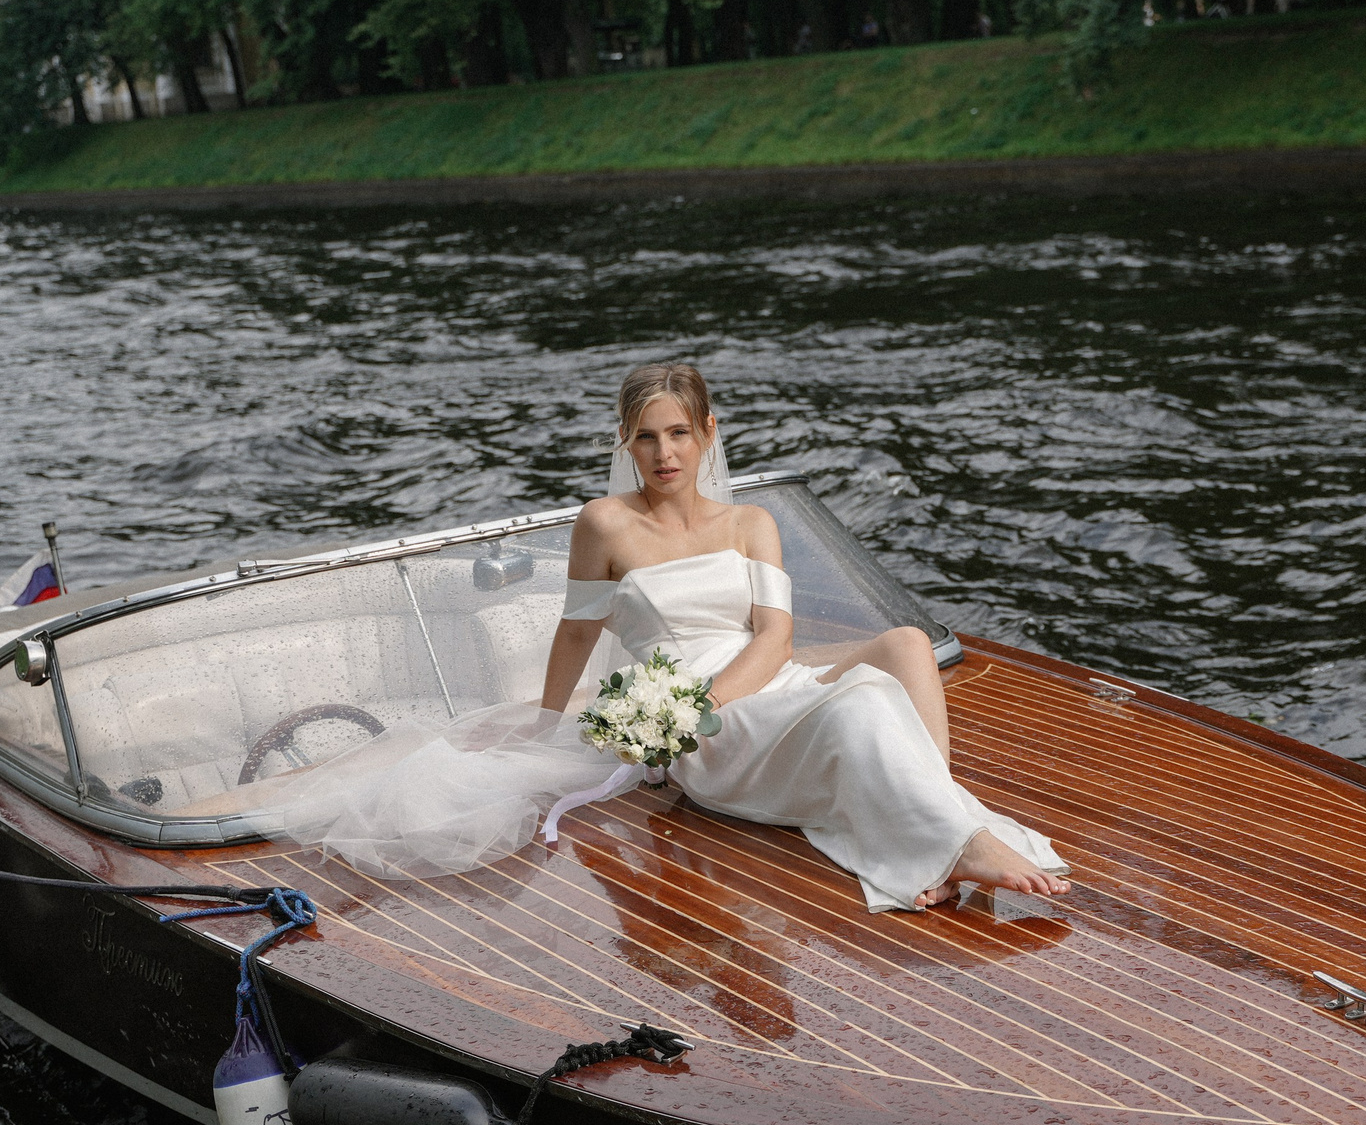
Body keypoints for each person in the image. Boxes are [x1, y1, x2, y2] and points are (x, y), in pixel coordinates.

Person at [280, 364, 1071, 911]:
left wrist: (710, 699)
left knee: (899, 646)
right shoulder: (606, 523)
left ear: (709, 434)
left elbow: (774, 636)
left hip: (741, 689)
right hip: (697, 729)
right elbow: (576, 632)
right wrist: (555, 724)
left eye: (681, 434)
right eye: (649, 437)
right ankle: (950, 841)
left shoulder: (751, 521)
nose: (667, 454)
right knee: (862, 709)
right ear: (625, 440)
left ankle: (939, 825)